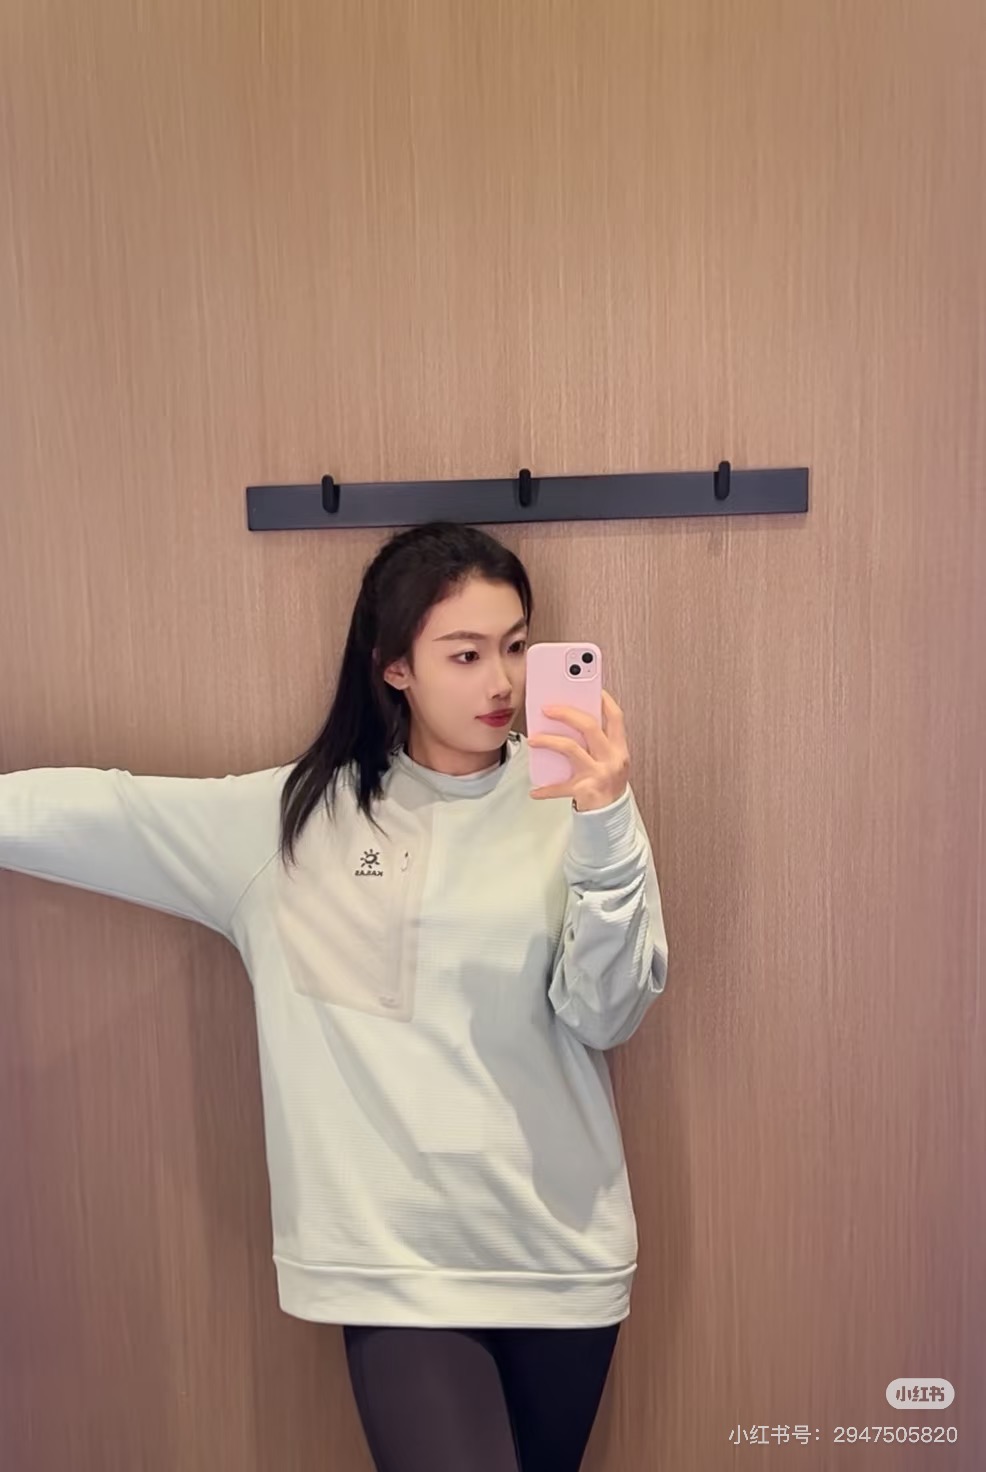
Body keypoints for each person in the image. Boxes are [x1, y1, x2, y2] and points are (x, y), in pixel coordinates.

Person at [0, 520, 669, 1471]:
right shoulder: (295, 822)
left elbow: (608, 1014)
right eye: (466, 654)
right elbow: (111, 811)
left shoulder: (583, 806)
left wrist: (604, 826)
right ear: (395, 667)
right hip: (397, 1265)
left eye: (518, 646)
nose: (503, 683)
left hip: (564, 1258)